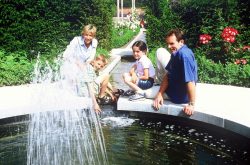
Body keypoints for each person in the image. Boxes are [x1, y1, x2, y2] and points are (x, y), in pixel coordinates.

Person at [150, 29, 198, 116]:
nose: (168, 46)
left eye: (172, 43)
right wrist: (160, 94)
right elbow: (168, 75)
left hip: (178, 97)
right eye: (167, 44)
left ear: (181, 42)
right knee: (160, 51)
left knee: (144, 93)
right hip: (172, 88)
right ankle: (157, 84)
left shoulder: (184, 56)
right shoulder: (176, 53)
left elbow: (190, 81)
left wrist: (191, 104)